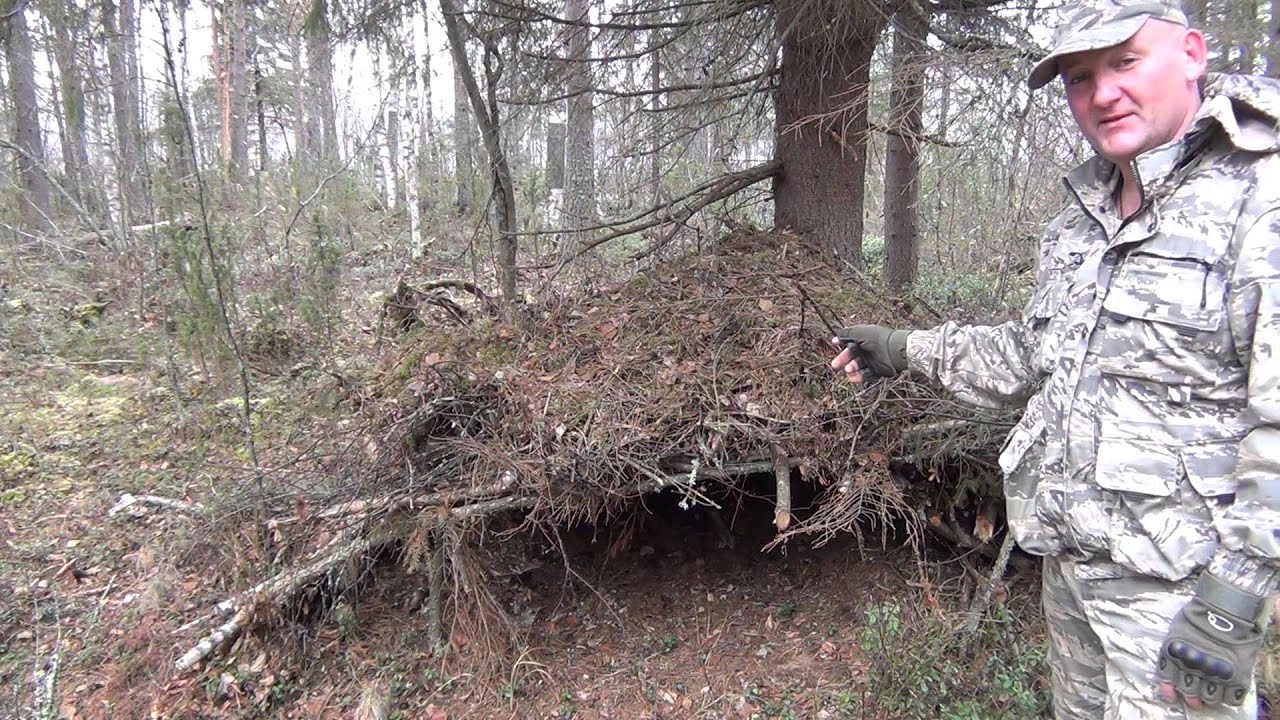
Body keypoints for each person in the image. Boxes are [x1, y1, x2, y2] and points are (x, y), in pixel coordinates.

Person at [830, 1, 1279, 717]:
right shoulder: (1081, 217)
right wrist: (901, 349)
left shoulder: (1260, 196)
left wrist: (1236, 594)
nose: (1102, 93)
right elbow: (1029, 354)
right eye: (1078, 78)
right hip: (1071, 571)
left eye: (1125, 62)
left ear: (1192, 53)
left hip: (1181, 596)